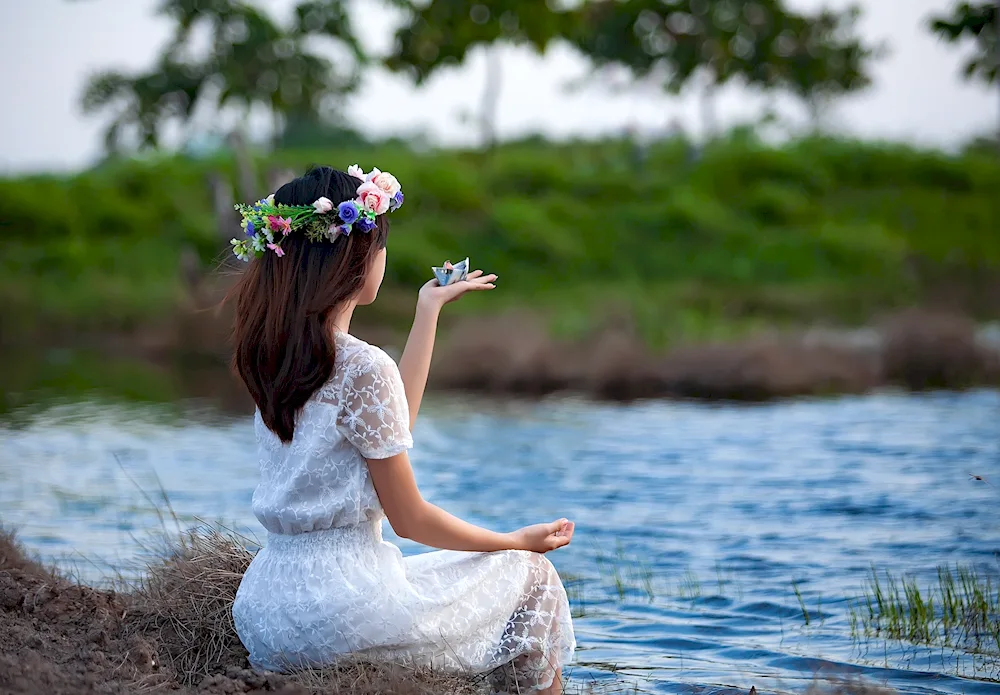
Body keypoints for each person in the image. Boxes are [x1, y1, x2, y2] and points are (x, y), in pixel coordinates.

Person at [228, 165, 576, 694]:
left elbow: (391, 429)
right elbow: (410, 520)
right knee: (532, 576)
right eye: (379, 243)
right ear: (355, 258)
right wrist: (512, 540)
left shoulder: (275, 357)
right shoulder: (361, 365)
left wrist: (427, 311)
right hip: (340, 608)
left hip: (269, 609)